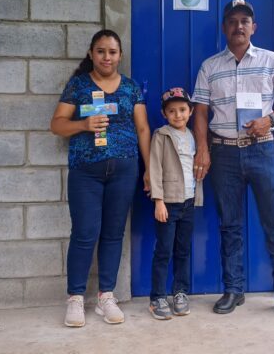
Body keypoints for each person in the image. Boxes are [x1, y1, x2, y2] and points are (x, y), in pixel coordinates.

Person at [191, 0, 274, 321]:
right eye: (232, 21)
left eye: (244, 21)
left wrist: (270, 120)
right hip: (224, 153)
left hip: (261, 150)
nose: (239, 26)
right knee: (229, 225)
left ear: (253, 27)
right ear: (224, 28)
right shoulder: (209, 67)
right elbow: (200, 111)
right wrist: (202, 148)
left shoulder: (271, 61)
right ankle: (234, 290)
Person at [50, 29, 151, 328]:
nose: (107, 57)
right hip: (85, 171)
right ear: (91, 54)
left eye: (112, 52)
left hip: (125, 170)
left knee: (113, 233)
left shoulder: (131, 87)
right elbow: (56, 125)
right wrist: (83, 124)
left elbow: (143, 129)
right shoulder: (78, 85)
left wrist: (149, 169)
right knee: (84, 233)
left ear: (120, 55)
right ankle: (75, 298)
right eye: (101, 51)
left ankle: (106, 296)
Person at [147, 87, 204, 320]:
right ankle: (157, 297)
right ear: (164, 114)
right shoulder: (161, 135)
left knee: (183, 250)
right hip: (168, 203)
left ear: (190, 111)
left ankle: (180, 292)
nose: (178, 115)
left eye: (182, 110)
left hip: (188, 202)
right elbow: (155, 168)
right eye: (172, 111)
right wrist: (158, 201)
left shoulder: (193, 135)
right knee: (164, 251)